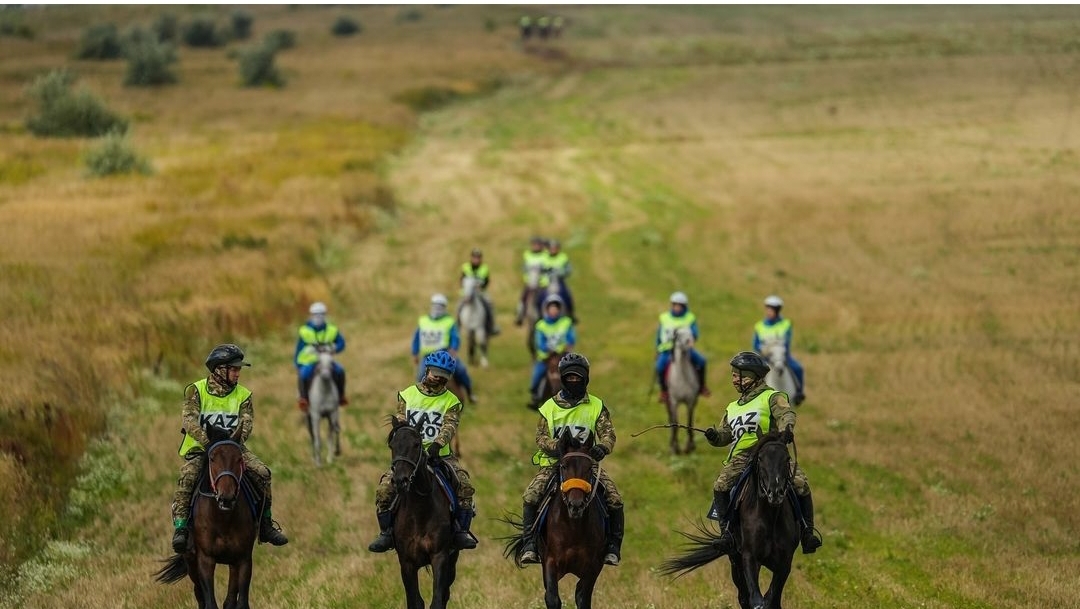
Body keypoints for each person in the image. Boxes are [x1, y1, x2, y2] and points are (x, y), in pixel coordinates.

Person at [170, 344, 288, 553]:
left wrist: (231, 443)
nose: (238, 373)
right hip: (202, 448)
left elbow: (246, 424)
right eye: (234, 369)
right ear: (219, 370)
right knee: (188, 476)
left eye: (238, 369)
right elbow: (189, 420)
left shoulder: (244, 395)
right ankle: (181, 528)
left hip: (233, 447)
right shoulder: (195, 390)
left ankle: (266, 525)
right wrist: (208, 443)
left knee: (263, 473)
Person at [702, 351, 822, 555]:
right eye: (733, 375)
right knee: (720, 485)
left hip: (770, 452)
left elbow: (786, 414)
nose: (734, 380)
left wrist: (786, 429)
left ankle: (807, 533)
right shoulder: (732, 407)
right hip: (742, 456)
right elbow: (725, 435)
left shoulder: (772, 397)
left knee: (800, 483)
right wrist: (714, 436)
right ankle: (726, 535)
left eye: (738, 376)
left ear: (753, 377)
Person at [368, 349, 478, 553]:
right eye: (435, 372)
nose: (438, 378)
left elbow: (450, 426)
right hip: (410, 457)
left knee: (464, 485)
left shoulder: (452, 401)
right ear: (427, 370)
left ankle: (461, 532)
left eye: (443, 375)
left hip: (439, 456)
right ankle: (386, 533)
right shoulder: (407, 395)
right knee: (384, 490)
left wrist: (437, 444)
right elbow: (401, 423)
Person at [519, 353, 624, 566]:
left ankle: (613, 547)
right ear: (563, 378)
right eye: (570, 377)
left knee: (614, 498)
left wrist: (603, 447)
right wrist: (556, 447)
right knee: (531, 496)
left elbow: (608, 434)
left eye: (578, 377)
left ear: (586, 378)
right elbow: (541, 437)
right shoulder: (549, 407)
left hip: (586, 465)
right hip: (555, 464)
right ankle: (529, 544)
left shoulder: (596, 406)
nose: (574, 381)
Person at [412, 293, 476, 403]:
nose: (437, 308)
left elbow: (455, 338)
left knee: (461, 371)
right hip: (428, 357)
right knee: (420, 375)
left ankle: (470, 393)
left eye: (440, 306)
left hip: (445, 356)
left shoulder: (449, 321)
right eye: (435, 305)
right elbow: (417, 338)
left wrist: (453, 349)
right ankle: (419, 399)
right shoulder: (423, 321)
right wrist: (415, 352)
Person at [655, 291, 710, 403]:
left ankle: (702, 386)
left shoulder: (690, 317)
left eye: (679, 305)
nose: (677, 307)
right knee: (659, 366)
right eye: (675, 305)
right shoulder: (664, 318)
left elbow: (694, 333)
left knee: (702, 361)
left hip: (685, 350)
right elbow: (659, 335)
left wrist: (691, 340)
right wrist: (657, 348)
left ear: (684, 306)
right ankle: (664, 391)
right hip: (667, 350)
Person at [294, 301, 348, 411]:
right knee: (303, 374)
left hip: (325, 361)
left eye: (321, 314)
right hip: (309, 361)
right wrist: (297, 363)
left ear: (325, 315)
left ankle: (341, 396)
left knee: (340, 371)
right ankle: (304, 398)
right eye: (315, 314)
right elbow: (299, 348)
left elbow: (341, 343)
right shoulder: (304, 331)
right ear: (311, 315)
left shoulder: (332, 330)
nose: (318, 317)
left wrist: (334, 348)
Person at [753, 295, 806, 405]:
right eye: (767, 309)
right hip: (765, 357)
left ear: (777, 311)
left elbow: (787, 341)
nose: (768, 312)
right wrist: (764, 352)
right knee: (754, 373)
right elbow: (756, 344)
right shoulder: (759, 326)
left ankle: (799, 393)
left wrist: (782, 354)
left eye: (771, 310)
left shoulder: (785, 324)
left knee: (798, 368)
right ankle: (753, 397)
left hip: (781, 355)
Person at [528, 294, 576, 408]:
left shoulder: (566, 322)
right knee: (537, 374)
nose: (554, 311)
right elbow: (539, 342)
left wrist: (566, 346)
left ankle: (575, 395)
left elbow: (571, 338)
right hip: (546, 357)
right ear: (547, 310)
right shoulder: (541, 325)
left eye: (556, 309)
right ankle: (535, 396)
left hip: (563, 355)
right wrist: (547, 349)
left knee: (575, 372)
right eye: (551, 309)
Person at [458, 248, 499, 336]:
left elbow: (487, 281)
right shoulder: (465, 267)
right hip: (467, 293)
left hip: (480, 292)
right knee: (459, 306)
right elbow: (461, 280)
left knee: (489, 304)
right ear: (471, 258)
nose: (476, 260)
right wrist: (465, 288)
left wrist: (481, 287)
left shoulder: (485, 268)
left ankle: (492, 325)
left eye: (478, 258)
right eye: (474, 257)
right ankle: (458, 326)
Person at [516, 236, 551, 326]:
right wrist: (525, 269)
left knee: (547, 298)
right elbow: (523, 266)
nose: (535, 246)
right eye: (534, 245)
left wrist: (545, 269)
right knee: (523, 298)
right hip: (530, 283)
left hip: (542, 284)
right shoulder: (527, 254)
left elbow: (549, 266)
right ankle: (520, 315)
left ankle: (549, 315)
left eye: (537, 245)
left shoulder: (546, 255)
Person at [545, 239, 576, 322]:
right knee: (538, 297)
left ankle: (571, 314)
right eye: (551, 248)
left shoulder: (563, 257)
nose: (553, 250)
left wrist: (561, 273)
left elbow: (568, 270)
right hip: (546, 283)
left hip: (559, 282)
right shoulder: (544, 257)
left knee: (567, 295)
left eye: (555, 248)